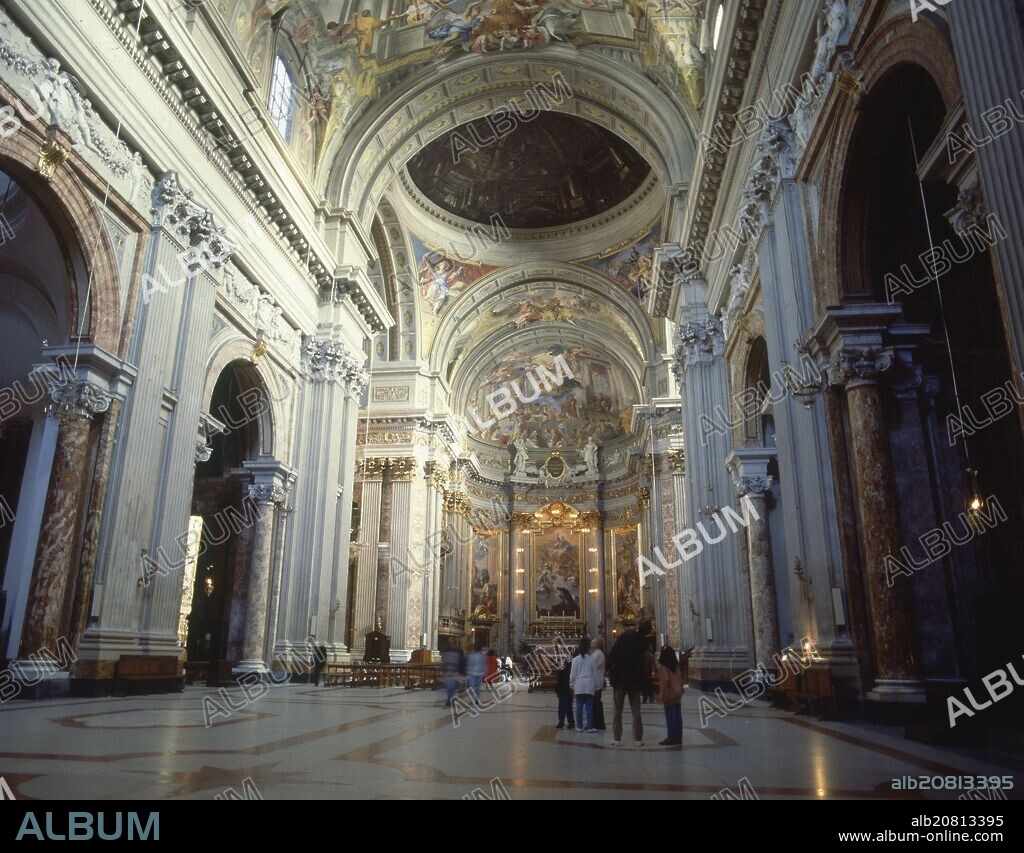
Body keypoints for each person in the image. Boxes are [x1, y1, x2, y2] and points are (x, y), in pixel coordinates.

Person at [607, 620, 648, 747]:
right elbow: (644, 660)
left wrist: (609, 670)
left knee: (617, 711)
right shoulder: (641, 640)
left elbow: (611, 657)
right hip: (635, 680)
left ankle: (617, 739)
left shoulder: (621, 639)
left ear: (624, 628)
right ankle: (638, 740)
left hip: (620, 680)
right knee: (636, 710)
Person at [569, 638, 599, 733]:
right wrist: (597, 685)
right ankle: (590, 727)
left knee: (579, 707)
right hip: (589, 685)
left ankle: (579, 726)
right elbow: (595, 674)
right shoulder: (591, 660)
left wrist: (571, 685)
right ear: (588, 649)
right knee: (589, 707)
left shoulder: (575, 660)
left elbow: (572, 674)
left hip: (579, 685)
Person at [658, 646, 684, 746]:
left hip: (670, 694)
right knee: (678, 716)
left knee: (670, 716)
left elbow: (665, 682)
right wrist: (681, 690)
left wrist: (664, 696)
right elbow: (681, 680)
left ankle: (671, 737)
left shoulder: (663, 666)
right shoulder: (675, 666)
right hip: (678, 693)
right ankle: (678, 737)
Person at [591, 636, 606, 730]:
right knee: (595, 703)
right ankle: (596, 722)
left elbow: (592, 667)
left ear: (597, 644)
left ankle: (598, 723)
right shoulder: (595, 653)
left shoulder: (598, 654)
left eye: (593, 641)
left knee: (596, 703)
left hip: (596, 682)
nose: (591, 642)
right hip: (595, 681)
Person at [555, 659, 575, 730]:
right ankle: (571, 722)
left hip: (562, 690)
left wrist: (557, 691)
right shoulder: (570, 669)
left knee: (562, 706)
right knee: (569, 707)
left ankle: (561, 722)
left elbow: (558, 681)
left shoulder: (561, 670)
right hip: (568, 689)